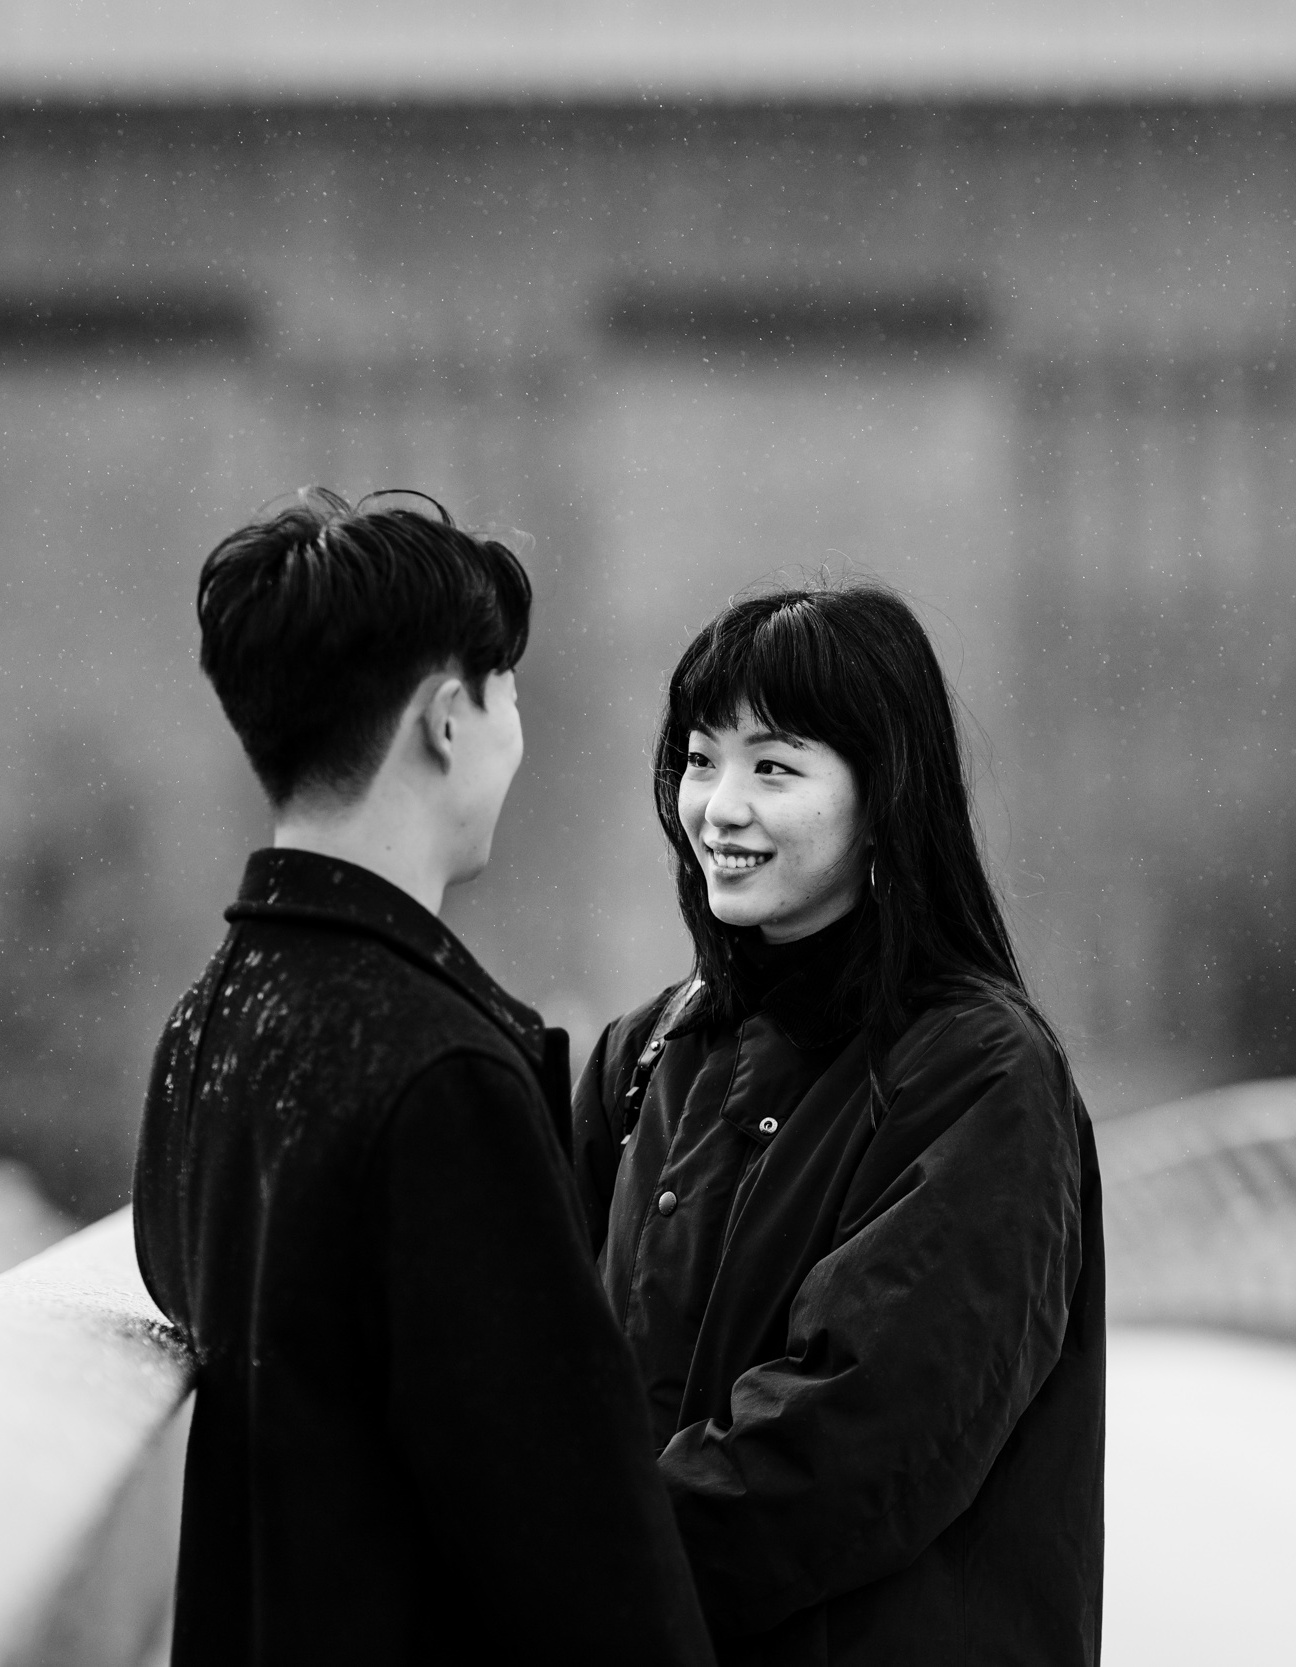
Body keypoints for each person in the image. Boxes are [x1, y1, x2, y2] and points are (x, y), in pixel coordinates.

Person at [134, 488, 713, 1666]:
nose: (514, 729)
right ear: (448, 718)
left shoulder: (207, 1026)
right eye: (505, 691)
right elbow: (576, 1551)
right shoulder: (437, 1078)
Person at [568, 586, 1105, 1666]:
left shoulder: (977, 1068)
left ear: (885, 796)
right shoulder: (646, 1056)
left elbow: (863, 1433)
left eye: (774, 766)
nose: (719, 805)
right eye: (700, 757)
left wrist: (581, 1580)